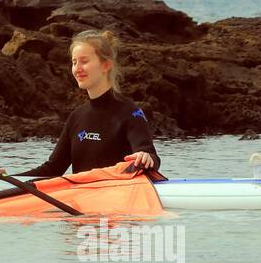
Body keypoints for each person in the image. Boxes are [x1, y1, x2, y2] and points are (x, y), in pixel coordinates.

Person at [22, 29, 159, 178]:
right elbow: (52, 169)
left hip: (116, 197)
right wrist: (7, 180)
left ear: (106, 65)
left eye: (84, 61)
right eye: (74, 62)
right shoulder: (77, 117)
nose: (77, 69)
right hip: (82, 198)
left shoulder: (130, 112)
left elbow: (150, 156)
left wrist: (146, 158)